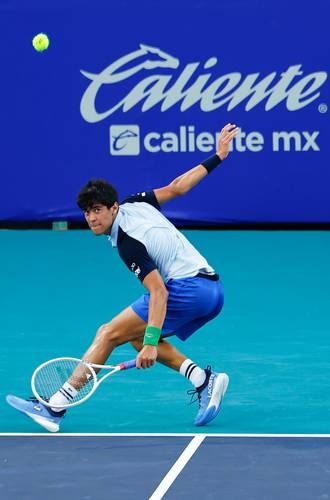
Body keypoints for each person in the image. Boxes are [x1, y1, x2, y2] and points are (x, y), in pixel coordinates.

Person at [7, 123, 239, 432]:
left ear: (113, 207)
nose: (91, 218)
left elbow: (159, 293)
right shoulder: (136, 202)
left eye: (98, 210)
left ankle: (55, 406)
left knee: (108, 334)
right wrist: (219, 156)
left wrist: (153, 344)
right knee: (133, 335)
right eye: (87, 212)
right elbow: (178, 187)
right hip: (213, 290)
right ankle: (202, 379)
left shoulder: (128, 243)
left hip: (189, 290)